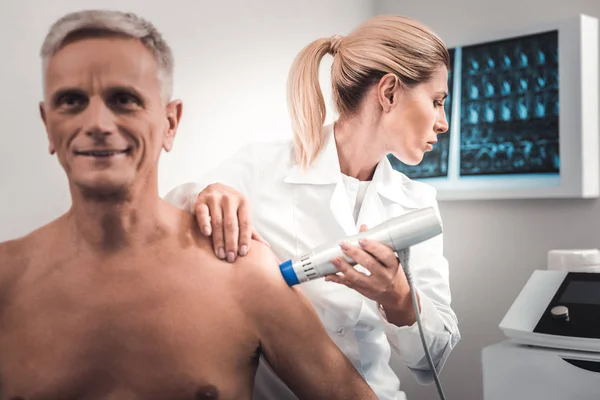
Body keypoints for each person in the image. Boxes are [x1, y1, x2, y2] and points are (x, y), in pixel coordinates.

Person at [0, 10, 378, 400]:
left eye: (124, 99)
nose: (97, 122)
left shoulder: (244, 275)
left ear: (170, 122)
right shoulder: (6, 279)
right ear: (48, 125)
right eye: (71, 101)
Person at [165, 14, 461, 400]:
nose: (444, 123)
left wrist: (399, 298)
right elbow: (166, 220)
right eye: (437, 102)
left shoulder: (416, 205)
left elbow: (433, 359)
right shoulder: (261, 167)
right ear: (388, 92)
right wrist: (202, 193)